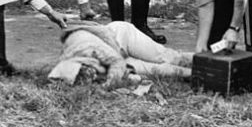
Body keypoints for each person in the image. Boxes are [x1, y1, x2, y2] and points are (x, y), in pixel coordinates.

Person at [48, 21, 193, 87]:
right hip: (119, 58)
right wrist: (130, 77)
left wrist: (108, 85)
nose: (89, 75)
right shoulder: (68, 68)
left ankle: (204, 59)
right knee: (158, 70)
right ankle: (197, 75)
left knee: (167, 57)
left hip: (121, 37)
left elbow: (116, 62)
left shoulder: (85, 46)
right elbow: (124, 72)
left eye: (84, 72)